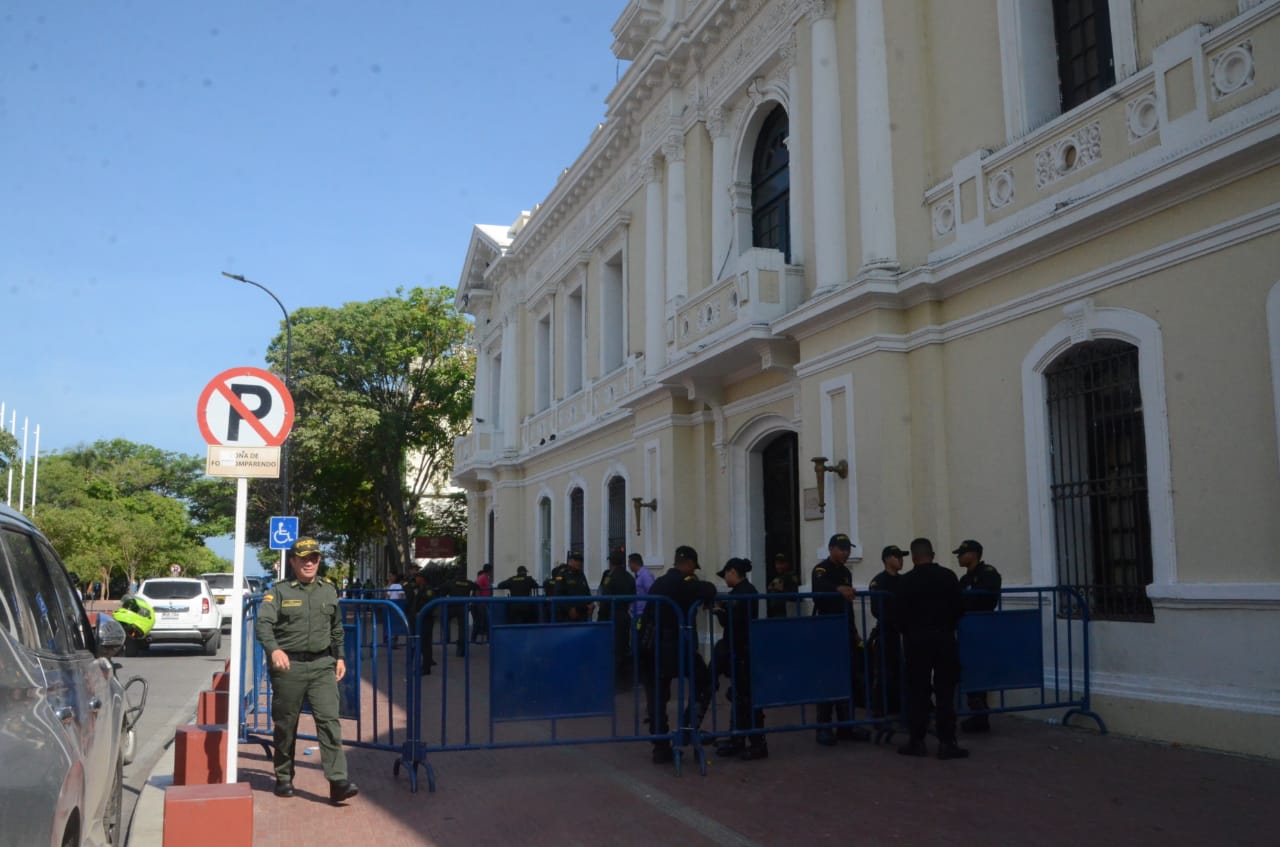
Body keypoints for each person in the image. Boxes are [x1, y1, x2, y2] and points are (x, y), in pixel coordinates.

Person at [254, 537, 359, 804]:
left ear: (319, 561)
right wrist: (274, 649)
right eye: (304, 558)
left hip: (323, 665)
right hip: (289, 666)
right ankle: (284, 776)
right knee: (286, 724)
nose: (309, 563)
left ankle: (337, 781)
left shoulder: (328, 590)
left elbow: (336, 628)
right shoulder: (279, 592)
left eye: (314, 558)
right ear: (293, 562)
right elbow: (263, 625)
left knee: (329, 722)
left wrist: (340, 657)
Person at [641, 545, 717, 764]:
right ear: (690, 564)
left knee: (657, 697)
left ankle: (660, 746)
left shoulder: (660, 582)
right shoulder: (684, 583)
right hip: (674, 646)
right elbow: (708, 589)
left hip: (651, 645)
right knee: (705, 682)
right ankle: (686, 728)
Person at [897, 537, 968, 760]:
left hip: (916, 641)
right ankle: (947, 743)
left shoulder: (906, 581)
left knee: (918, 691)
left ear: (914, 557)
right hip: (945, 639)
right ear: (933, 554)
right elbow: (959, 607)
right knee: (946, 692)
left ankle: (917, 741)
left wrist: (910, 631)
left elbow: (898, 615)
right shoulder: (948, 577)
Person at [810, 533, 871, 746]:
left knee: (848, 676)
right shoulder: (821, 570)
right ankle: (823, 726)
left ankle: (846, 725)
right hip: (827, 630)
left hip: (844, 628)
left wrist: (854, 630)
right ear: (831, 549)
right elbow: (819, 590)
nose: (846, 553)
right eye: (842, 549)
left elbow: (847, 605)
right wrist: (838, 589)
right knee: (828, 678)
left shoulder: (845, 571)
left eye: (848, 549)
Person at [712, 557, 768, 760]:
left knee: (747, 697)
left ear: (733, 572)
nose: (725, 578)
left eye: (725, 574)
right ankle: (738, 738)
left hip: (743, 650)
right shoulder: (743, 591)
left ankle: (757, 743)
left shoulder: (744, 593)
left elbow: (733, 621)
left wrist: (719, 611)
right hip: (740, 649)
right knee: (738, 695)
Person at [955, 539, 1002, 733]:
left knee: (979, 672)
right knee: (968, 672)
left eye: (961, 553)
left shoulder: (988, 574)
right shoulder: (965, 579)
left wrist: (967, 604)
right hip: (967, 629)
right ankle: (977, 713)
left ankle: (981, 716)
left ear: (973, 554)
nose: (958, 557)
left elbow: (986, 599)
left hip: (981, 629)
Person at [867, 545, 908, 719]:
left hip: (903, 632)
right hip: (887, 632)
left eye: (901, 556)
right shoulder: (879, 581)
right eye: (897, 556)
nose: (901, 560)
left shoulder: (904, 580)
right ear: (887, 559)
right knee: (883, 672)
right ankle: (879, 711)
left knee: (903, 671)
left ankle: (901, 707)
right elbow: (877, 609)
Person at [598, 548, 636, 688]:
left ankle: (614, 682)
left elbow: (605, 598)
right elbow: (633, 595)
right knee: (624, 646)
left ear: (611, 562)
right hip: (624, 615)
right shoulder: (629, 577)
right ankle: (625, 681)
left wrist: (601, 618)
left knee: (612, 649)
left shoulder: (610, 577)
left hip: (611, 615)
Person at [547, 550, 593, 622]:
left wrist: (590, 604)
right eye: (576, 560)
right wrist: (569, 609)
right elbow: (558, 594)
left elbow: (586, 590)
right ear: (570, 561)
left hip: (582, 613)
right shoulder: (563, 574)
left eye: (580, 561)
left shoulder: (581, 574)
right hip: (567, 616)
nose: (579, 563)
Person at [406, 569, 437, 675]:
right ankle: (424, 666)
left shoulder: (428, 590)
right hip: (417, 620)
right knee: (422, 643)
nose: (416, 578)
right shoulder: (418, 588)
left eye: (418, 577)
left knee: (425, 644)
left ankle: (425, 668)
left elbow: (430, 604)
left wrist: (422, 613)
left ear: (423, 579)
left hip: (425, 620)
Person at [445, 569, 480, 656]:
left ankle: (446, 638)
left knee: (444, 620)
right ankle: (461, 649)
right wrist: (473, 597)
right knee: (462, 628)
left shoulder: (451, 582)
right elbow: (477, 587)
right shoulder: (468, 583)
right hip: (463, 607)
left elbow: (442, 589)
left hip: (452, 607)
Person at [766, 553, 799, 618]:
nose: (778, 566)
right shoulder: (779, 576)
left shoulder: (791, 575)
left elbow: (794, 591)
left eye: (781, 563)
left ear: (787, 564)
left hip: (786, 612)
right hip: (776, 612)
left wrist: (780, 587)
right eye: (776, 564)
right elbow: (770, 586)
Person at [628, 552, 654, 620]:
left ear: (634, 563)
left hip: (642, 612)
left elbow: (651, 592)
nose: (629, 566)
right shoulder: (639, 575)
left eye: (629, 563)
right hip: (637, 612)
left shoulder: (645, 575)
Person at [472, 563, 493, 643]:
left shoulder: (486, 578)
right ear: (489, 570)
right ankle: (475, 639)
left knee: (484, 621)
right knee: (482, 621)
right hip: (481, 603)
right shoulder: (483, 577)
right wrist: (479, 600)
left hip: (484, 602)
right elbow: (477, 588)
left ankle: (486, 639)